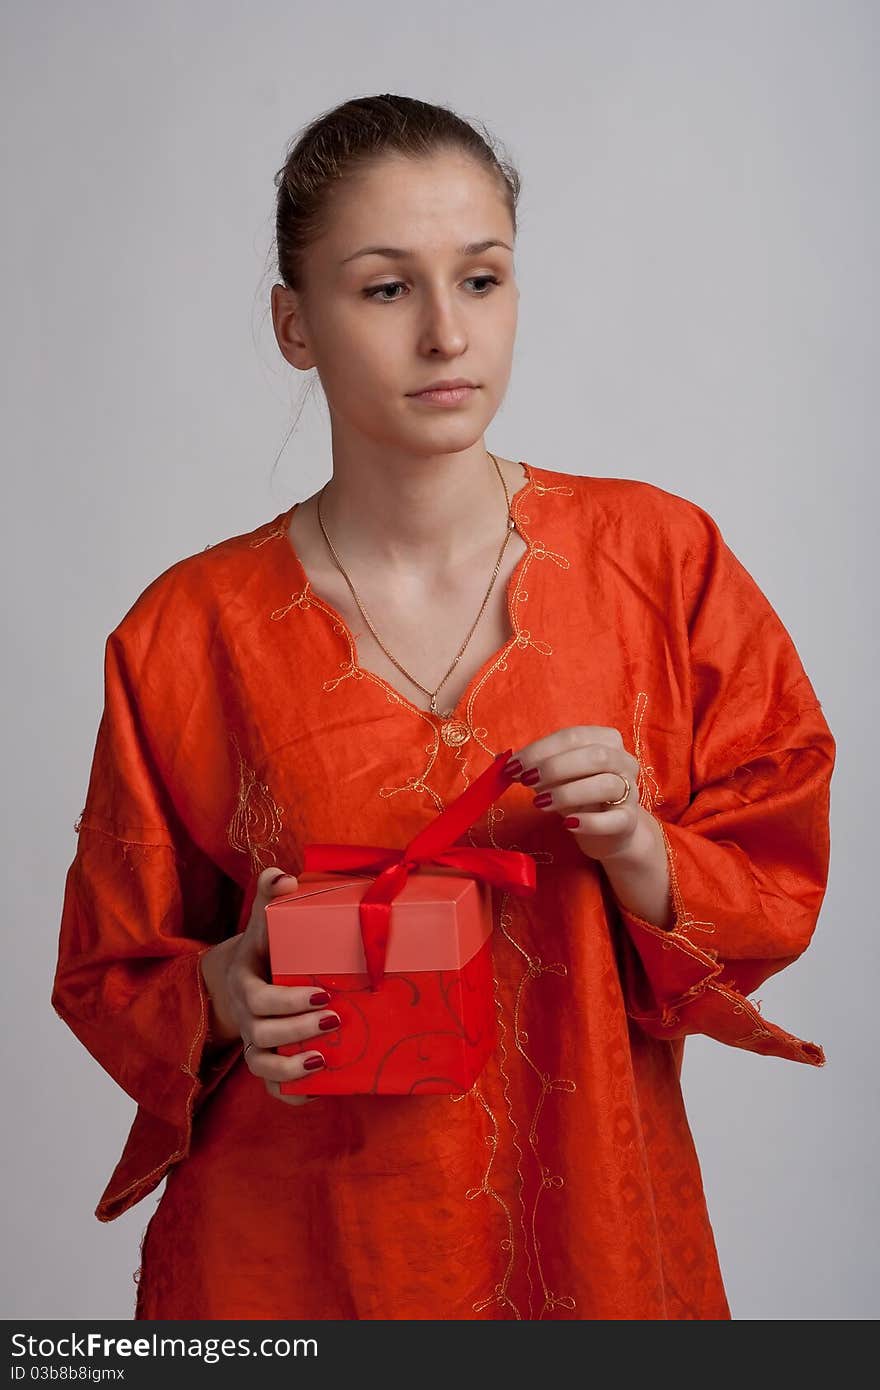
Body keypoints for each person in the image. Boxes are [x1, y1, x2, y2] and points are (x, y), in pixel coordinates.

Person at [52, 93, 835, 1321]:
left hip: (590, 1237)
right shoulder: (186, 629)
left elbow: (777, 870)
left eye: (480, 280)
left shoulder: (658, 560)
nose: (442, 335)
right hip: (287, 1261)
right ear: (292, 325)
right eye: (382, 289)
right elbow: (110, 966)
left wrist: (641, 848)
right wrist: (224, 985)